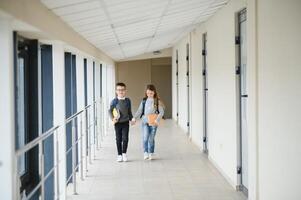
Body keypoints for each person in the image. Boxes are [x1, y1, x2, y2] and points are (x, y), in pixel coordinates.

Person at [132, 84, 164, 160]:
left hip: (153, 122)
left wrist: (157, 120)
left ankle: (151, 152)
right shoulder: (144, 101)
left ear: (154, 93)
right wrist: (134, 118)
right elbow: (139, 111)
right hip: (145, 122)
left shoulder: (157, 101)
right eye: (148, 93)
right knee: (145, 137)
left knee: (151, 138)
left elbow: (161, 112)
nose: (150, 95)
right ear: (146, 93)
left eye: (151, 93)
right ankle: (145, 152)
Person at [108, 82, 134, 162]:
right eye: (119, 90)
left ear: (125, 91)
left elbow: (129, 112)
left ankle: (124, 153)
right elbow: (110, 111)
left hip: (125, 122)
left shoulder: (127, 100)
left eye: (122, 90)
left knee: (125, 138)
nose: (121, 91)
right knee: (118, 139)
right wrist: (113, 119)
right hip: (118, 123)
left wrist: (132, 119)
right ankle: (119, 155)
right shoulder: (114, 101)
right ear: (116, 91)